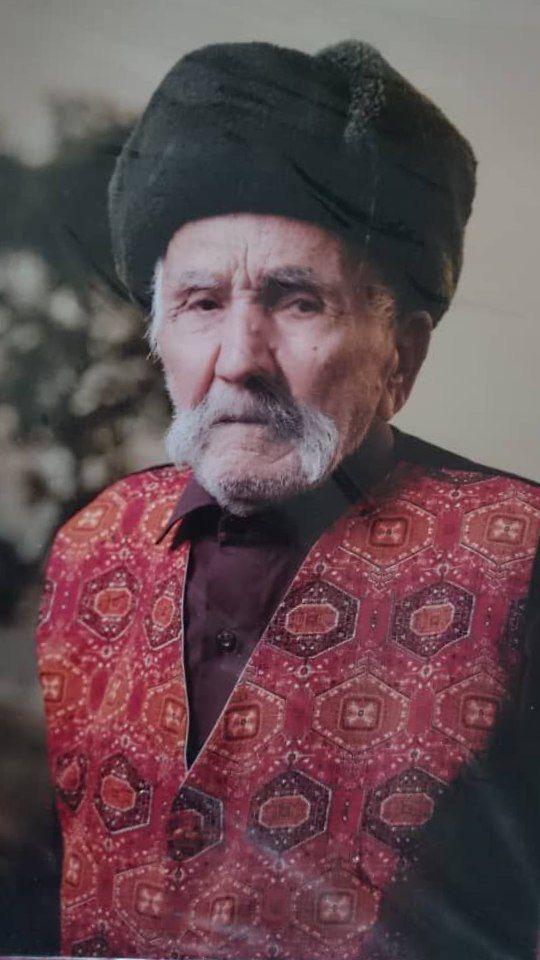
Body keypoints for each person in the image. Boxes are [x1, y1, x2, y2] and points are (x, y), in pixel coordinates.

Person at [35, 40, 540, 959]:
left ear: (402, 353)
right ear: (160, 337)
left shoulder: (520, 554)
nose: (239, 360)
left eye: (298, 301)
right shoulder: (91, 545)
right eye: (200, 304)